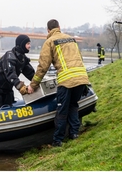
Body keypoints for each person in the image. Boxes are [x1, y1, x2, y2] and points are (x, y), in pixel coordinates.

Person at [30, 19, 90, 147]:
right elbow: (80, 58)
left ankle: (58, 140)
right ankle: (74, 134)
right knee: (73, 105)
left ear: (48, 30)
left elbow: (43, 67)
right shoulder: (71, 39)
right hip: (81, 77)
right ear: (59, 27)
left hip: (66, 80)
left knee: (62, 109)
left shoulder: (49, 42)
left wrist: (33, 85)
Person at [0, 35, 35, 110]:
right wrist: (21, 86)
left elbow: (31, 74)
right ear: (22, 44)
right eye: (28, 44)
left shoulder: (23, 59)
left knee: (9, 108)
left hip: (7, 89)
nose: (30, 46)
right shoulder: (9, 56)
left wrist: (38, 82)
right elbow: (10, 74)